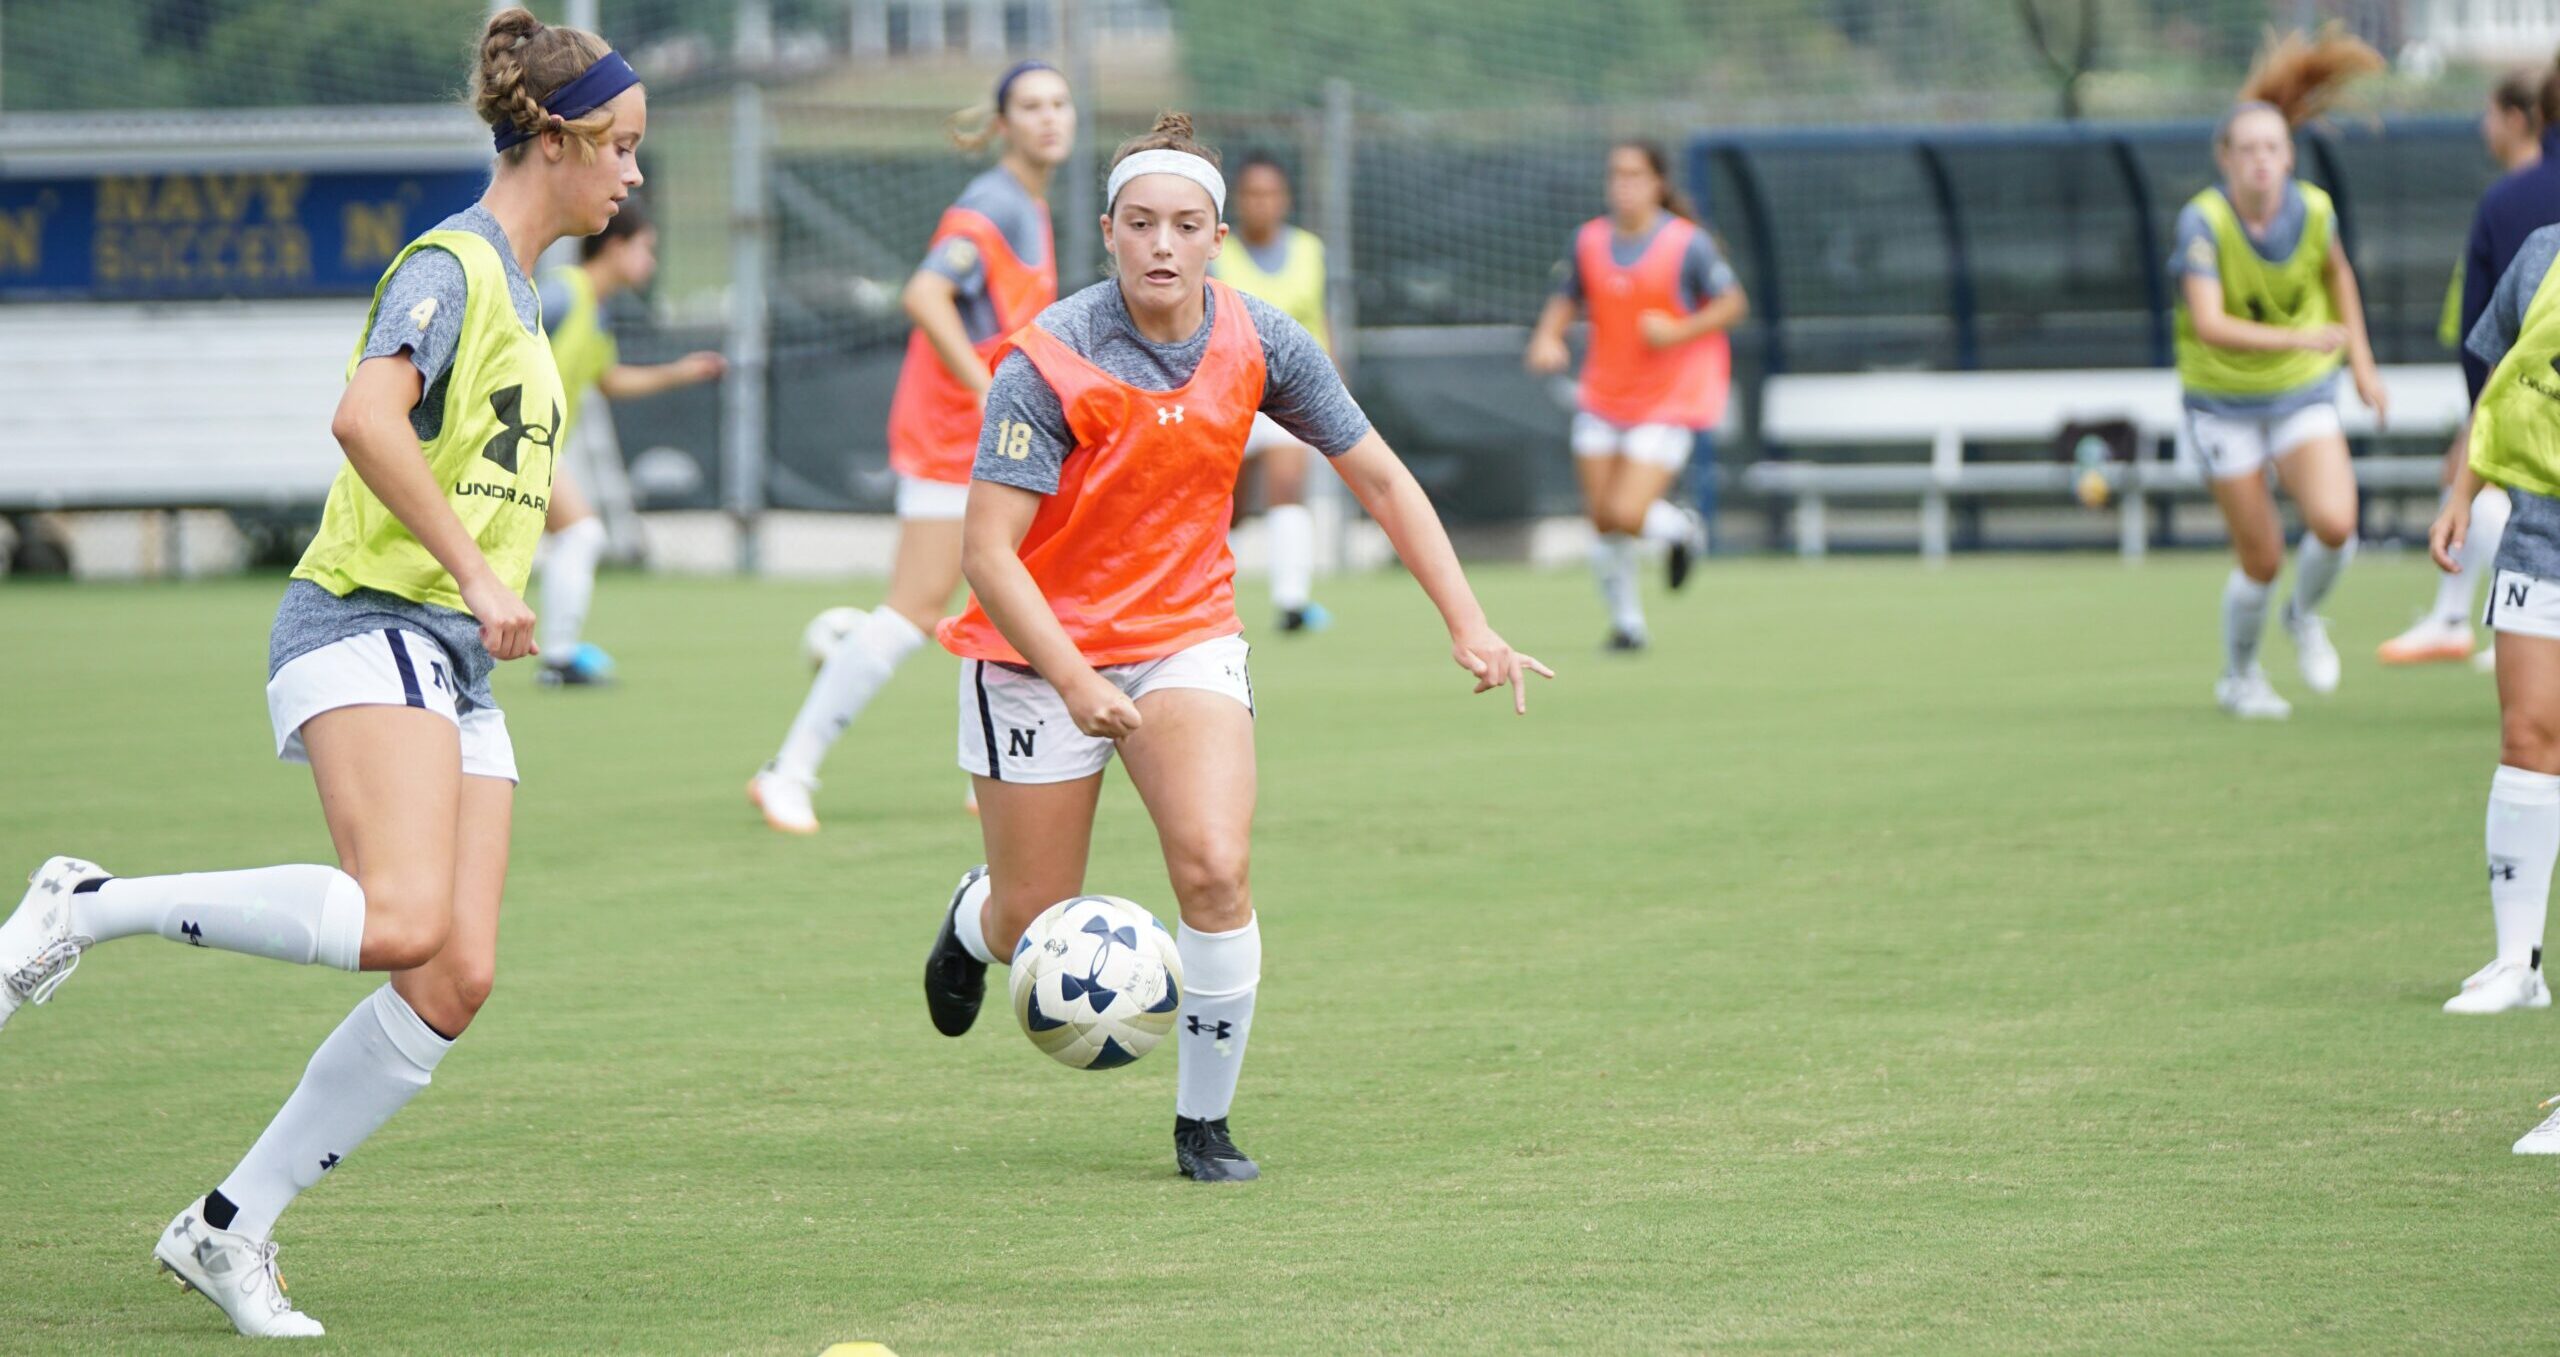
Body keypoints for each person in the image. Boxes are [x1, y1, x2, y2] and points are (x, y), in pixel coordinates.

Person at [0, 10, 642, 1335]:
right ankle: (89, 901)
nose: (634, 176)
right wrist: (475, 570)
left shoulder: (535, 298)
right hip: (366, 619)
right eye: (621, 147)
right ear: (559, 138)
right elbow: (364, 416)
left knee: (453, 977)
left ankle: (226, 1228)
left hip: (450, 660)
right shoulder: (450, 263)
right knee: (401, 919)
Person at [916, 113, 1552, 1183]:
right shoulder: (1048, 361)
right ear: (1108, 234)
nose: (1162, 243)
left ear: (1218, 239)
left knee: (1214, 867)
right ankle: (972, 921)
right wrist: (1072, 678)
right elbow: (987, 553)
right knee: (1034, 911)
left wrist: (1469, 621)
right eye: (1140, 223)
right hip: (1036, 658)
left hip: (1184, 637)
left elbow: (1383, 479)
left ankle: (1202, 1126)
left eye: (1186, 225)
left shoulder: (1263, 339)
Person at [749, 60, 1074, 834]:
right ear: (1002, 124)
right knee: (914, 610)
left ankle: (996, 771)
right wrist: (988, 391)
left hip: (999, 439)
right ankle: (788, 770)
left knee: (1011, 600)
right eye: (1031, 106)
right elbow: (924, 294)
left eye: (1059, 103)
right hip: (953, 437)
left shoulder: (1030, 203)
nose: (1049, 118)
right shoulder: (991, 203)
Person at [2170, 28, 2386, 720]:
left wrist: (2361, 361)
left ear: (2289, 154)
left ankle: (2303, 615)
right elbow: (2209, 322)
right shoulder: (2202, 222)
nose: (2261, 161)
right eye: (2247, 150)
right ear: (2224, 160)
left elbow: (2338, 274)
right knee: (2260, 558)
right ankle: (2239, 677)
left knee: (2334, 523)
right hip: (2222, 403)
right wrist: (2300, 334)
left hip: (2299, 391)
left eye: (2272, 148)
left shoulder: (2315, 210)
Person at [1524, 139, 1743, 652]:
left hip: (1666, 401)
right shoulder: (1589, 240)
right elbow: (1567, 297)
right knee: (1602, 519)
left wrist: (1679, 330)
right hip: (1603, 396)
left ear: (1657, 183)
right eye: (1615, 175)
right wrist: (1547, 336)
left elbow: (1732, 304)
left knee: (1627, 512)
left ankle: (1681, 531)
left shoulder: (1687, 243)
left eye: (1634, 175)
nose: (1623, 185)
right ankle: (1627, 626)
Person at [2383, 62, 2560, 668]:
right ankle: (2467, 617)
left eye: (2489, 114)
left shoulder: (2512, 205)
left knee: (2498, 501)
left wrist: (2476, 420)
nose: (2483, 127)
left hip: (2530, 412)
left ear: (2523, 117)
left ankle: (2459, 617)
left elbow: (2495, 334)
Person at [2431, 223, 2560, 1029]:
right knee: (2527, 734)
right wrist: (2460, 493)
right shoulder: (2542, 252)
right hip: (2541, 533)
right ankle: (2519, 962)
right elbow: (2501, 383)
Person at [533, 201, 726, 686]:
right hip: (509, 443)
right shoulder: (561, 295)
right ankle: (557, 659)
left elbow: (609, 381)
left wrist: (681, 372)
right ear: (615, 246)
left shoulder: (594, 311)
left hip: (532, 447)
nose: (651, 262)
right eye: (646, 249)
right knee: (580, 535)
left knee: (570, 538)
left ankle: (556, 656)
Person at [1211, 152, 1333, 633]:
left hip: (1290, 398)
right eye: (1252, 194)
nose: (1262, 203)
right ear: (1238, 201)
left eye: (1270, 193)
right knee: (1229, 506)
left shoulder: (1309, 250)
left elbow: (1318, 321)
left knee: (1287, 487)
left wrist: (1332, 384)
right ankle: (1209, 593)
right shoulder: (1220, 255)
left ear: (1285, 199)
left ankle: (1292, 602)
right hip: (1232, 398)